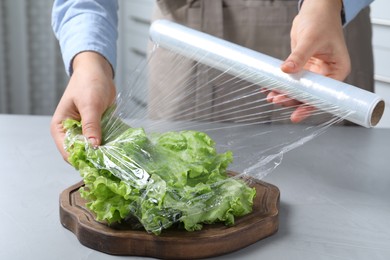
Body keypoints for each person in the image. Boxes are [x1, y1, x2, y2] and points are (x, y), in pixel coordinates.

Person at [51, 0, 374, 161]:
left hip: (320, 32)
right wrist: (88, 61)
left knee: (331, 210)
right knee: (175, 195)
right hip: (185, 39)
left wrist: (327, 6)